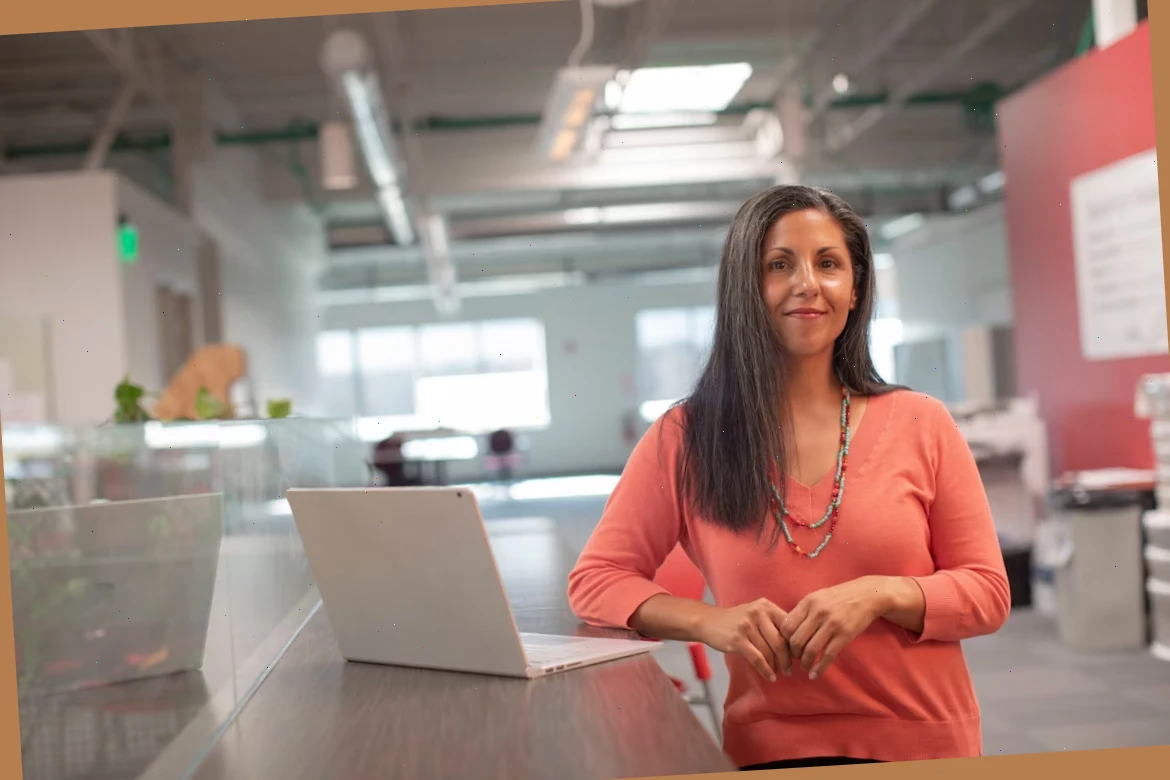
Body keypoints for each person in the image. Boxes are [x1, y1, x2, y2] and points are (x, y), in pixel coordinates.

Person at [567, 185, 1010, 771]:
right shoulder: (686, 436)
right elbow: (596, 580)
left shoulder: (922, 423)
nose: (807, 283)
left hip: (921, 742)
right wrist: (709, 622)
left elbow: (988, 593)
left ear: (855, 290)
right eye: (779, 265)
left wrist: (881, 594)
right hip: (770, 748)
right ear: (746, 291)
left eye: (828, 263)